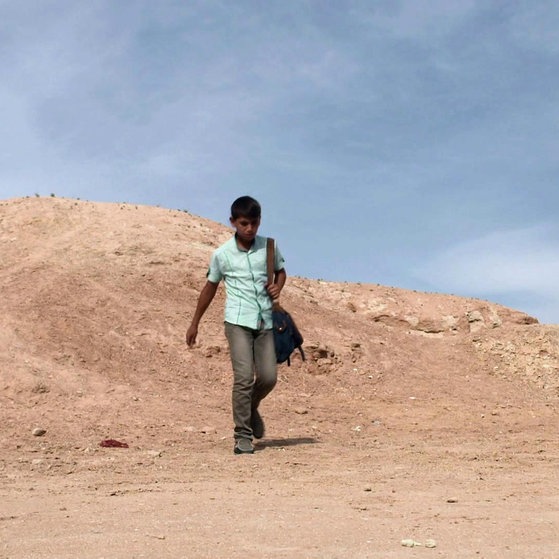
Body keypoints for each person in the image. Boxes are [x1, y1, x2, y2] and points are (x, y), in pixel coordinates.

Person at [186, 196, 286, 455]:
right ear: (232, 222)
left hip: (264, 321)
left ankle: (251, 407)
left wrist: (278, 285)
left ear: (259, 221)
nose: (249, 229)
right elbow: (210, 287)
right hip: (237, 322)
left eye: (254, 223)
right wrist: (195, 323)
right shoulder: (222, 255)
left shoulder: (269, 248)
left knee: (268, 377)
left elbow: (281, 271)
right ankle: (242, 436)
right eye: (244, 223)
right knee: (243, 378)